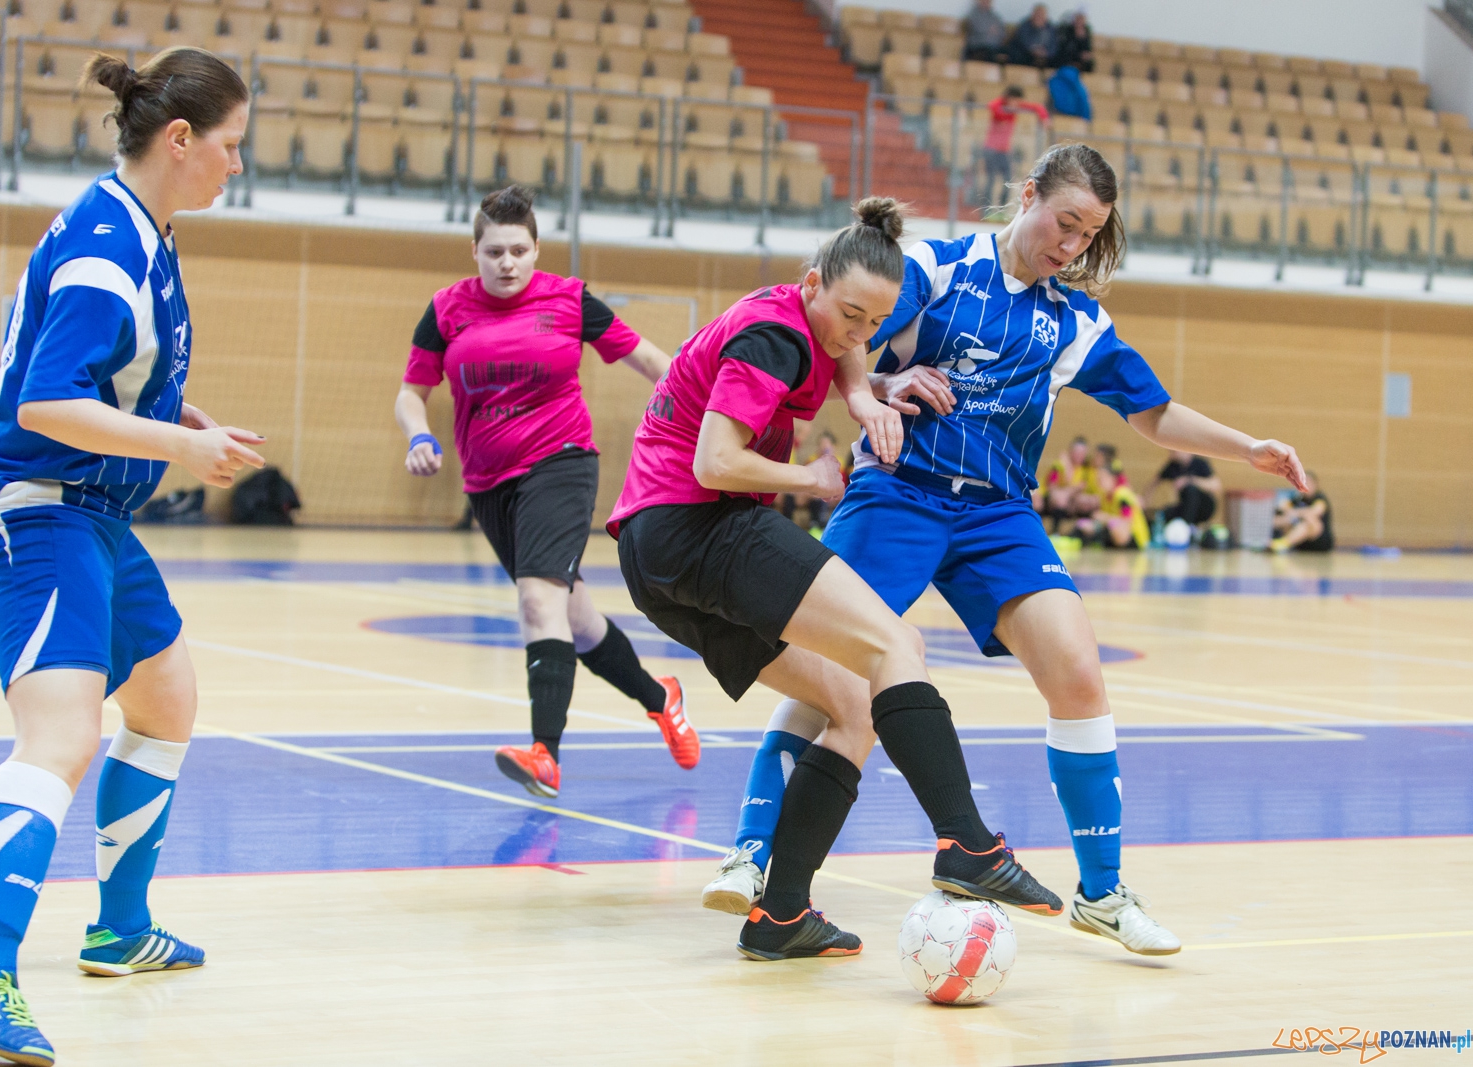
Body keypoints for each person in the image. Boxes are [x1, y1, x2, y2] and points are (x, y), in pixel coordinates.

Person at [702, 144, 1311, 957]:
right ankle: (753, 850)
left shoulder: (1076, 319)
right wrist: (876, 388)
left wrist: (1249, 449)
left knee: (1079, 674)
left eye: (1089, 235)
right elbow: (847, 324)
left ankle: (1102, 892)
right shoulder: (937, 266)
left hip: (998, 514)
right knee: (837, 672)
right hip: (898, 490)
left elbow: (1153, 412)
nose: (1071, 246)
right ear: (1028, 196)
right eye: (1064, 223)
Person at [611, 198, 1061, 962]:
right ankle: (970, 843)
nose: (856, 336)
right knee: (895, 642)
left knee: (852, 703)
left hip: (654, 558)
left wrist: (865, 391)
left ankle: (782, 913)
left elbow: (846, 351)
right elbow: (714, 462)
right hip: (699, 524)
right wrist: (813, 477)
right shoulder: (775, 338)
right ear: (814, 283)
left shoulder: (809, 316)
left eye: (872, 324)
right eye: (849, 315)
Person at [0, 47, 260, 1066]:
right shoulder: (106, 251)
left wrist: (167, 409)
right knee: (61, 737)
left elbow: (101, 373)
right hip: (35, 512)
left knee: (166, 700)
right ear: (179, 141)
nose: (236, 166)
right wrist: (180, 445)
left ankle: (119, 927)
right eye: (230, 146)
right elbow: (41, 399)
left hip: (94, 515)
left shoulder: (139, 228)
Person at [395, 184, 696, 800]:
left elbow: (649, 361)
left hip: (560, 463)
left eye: (519, 251)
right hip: (487, 484)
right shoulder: (447, 309)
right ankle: (657, 696)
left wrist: (706, 410)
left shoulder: (569, 300)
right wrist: (417, 434)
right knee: (577, 621)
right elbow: (411, 390)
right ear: (474, 251)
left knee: (538, 602)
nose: (507, 263)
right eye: (494, 251)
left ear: (536, 251)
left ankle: (545, 754)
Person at [981, 86, 1048, 206]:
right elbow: (992, 106)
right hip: (991, 149)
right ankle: (986, 208)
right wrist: (1007, 110)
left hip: (1004, 150)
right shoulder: (1000, 105)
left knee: (1007, 180)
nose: (1016, 104)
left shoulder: (1016, 107)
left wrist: (1044, 118)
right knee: (990, 180)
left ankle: (1001, 208)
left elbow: (1038, 107)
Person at [1144, 450, 1221, 528]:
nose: (1171, 454)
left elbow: (1216, 485)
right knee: (1164, 513)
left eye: (1173, 451)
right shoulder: (1173, 465)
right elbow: (1153, 483)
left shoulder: (1199, 462)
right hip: (1184, 506)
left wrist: (1189, 480)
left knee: (1190, 490)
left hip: (1204, 506)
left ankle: (1185, 527)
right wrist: (1146, 502)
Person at [1075, 465, 1148, 548]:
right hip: (1115, 532)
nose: (1100, 482)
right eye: (1098, 479)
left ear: (1112, 479)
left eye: (1103, 478)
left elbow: (1127, 521)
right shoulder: (1103, 496)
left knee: (1116, 529)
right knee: (1086, 525)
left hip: (1135, 537)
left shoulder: (1122, 495)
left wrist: (1105, 518)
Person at [1038, 434, 1100, 532]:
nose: (1080, 455)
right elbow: (1051, 487)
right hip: (1050, 499)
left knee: (1088, 501)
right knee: (1060, 498)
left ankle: (1083, 532)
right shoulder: (1059, 465)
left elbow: (1085, 488)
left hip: (1072, 500)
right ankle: (1055, 532)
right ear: (1071, 451)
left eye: (1083, 453)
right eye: (1077, 452)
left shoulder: (1086, 469)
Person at [1271, 474, 1332, 552]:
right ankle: (1264, 540)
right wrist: (1288, 512)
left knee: (1309, 518)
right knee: (1282, 519)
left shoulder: (1320, 498)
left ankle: (1283, 543)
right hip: (1301, 543)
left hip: (1319, 542)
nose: (1307, 486)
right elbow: (1283, 505)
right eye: (1304, 483)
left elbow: (1315, 511)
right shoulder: (1298, 498)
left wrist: (1296, 512)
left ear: (1315, 485)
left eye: (1309, 483)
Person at [1007, 3, 1058, 68]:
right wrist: (1034, 50)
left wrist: (1046, 53)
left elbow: (1054, 46)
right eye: (1037, 14)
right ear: (1033, 15)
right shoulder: (1025, 25)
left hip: (1044, 57)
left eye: (1042, 15)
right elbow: (1023, 41)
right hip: (1026, 54)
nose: (1039, 17)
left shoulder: (1051, 29)